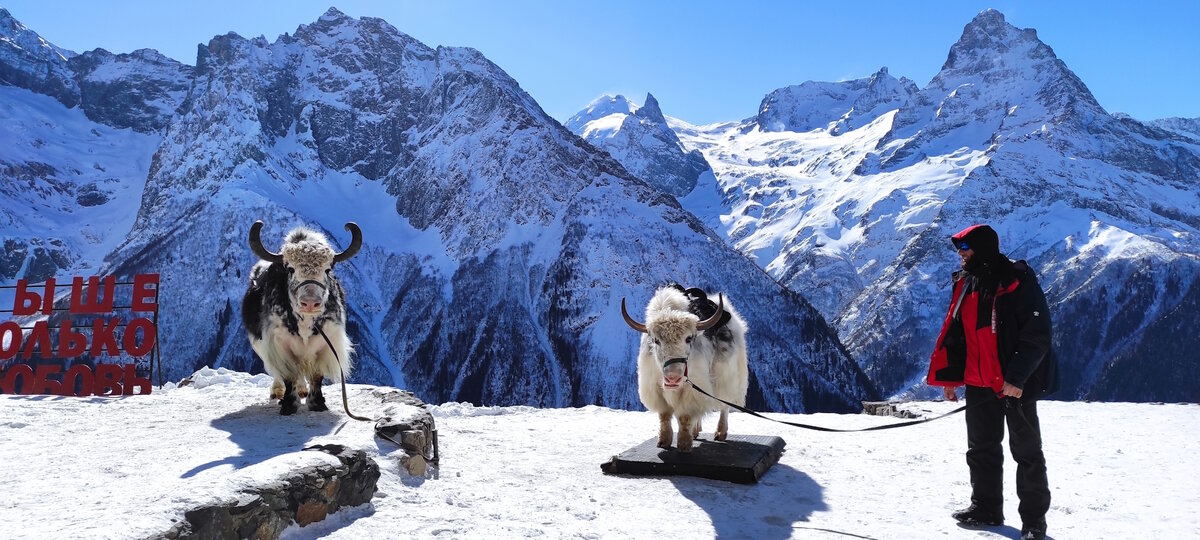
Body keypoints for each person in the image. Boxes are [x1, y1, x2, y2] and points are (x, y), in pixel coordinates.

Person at [927, 224, 1059, 540]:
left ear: (983, 247)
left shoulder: (1017, 280)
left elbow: (1037, 335)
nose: (960, 253)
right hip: (978, 382)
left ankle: (1033, 523)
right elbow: (959, 335)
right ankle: (985, 508)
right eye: (959, 248)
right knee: (981, 449)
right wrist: (952, 378)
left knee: (1027, 453)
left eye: (966, 247)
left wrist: (1017, 378)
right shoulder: (966, 284)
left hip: (1013, 384)